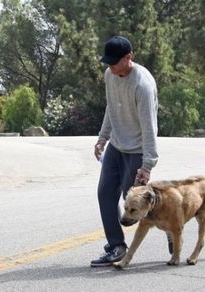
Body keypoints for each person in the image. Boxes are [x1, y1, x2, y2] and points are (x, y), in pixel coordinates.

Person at [90, 36, 159, 267]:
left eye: (113, 62)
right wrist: (102, 138)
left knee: (133, 201)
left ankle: (171, 225)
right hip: (116, 146)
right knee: (105, 194)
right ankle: (117, 246)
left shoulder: (143, 85)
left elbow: (150, 126)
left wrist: (147, 164)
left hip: (138, 150)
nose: (109, 67)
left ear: (128, 58)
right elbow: (111, 106)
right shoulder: (110, 75)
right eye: (107, 63)